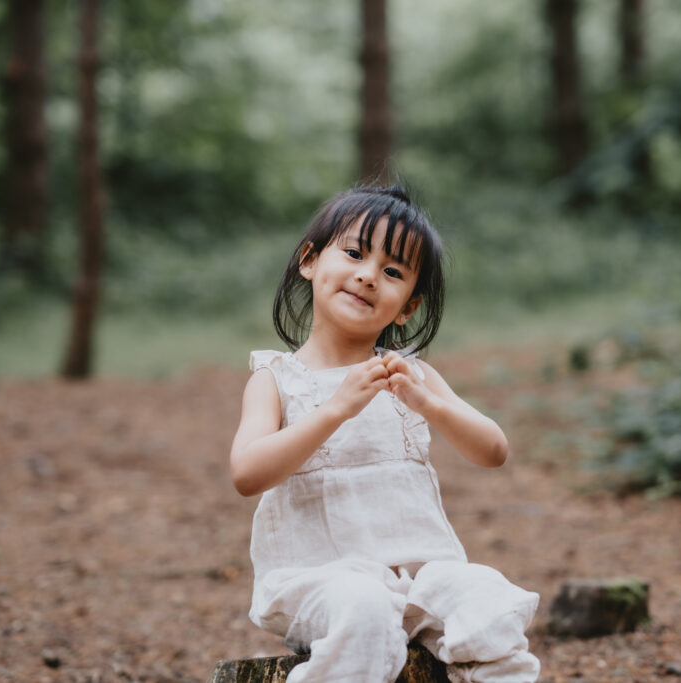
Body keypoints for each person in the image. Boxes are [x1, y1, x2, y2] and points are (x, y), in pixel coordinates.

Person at [229, 185, 540, 683]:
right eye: (353, 253)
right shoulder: (276, 380)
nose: (368, 276)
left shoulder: (412, 376)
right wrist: (335, 410)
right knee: (366, 610)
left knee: (490, 600)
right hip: (321, 581)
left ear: (407, 308)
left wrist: (429, 404)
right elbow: (246, 474)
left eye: (392, 272)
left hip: (422, 577)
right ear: (309, 261)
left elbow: (494, 451)